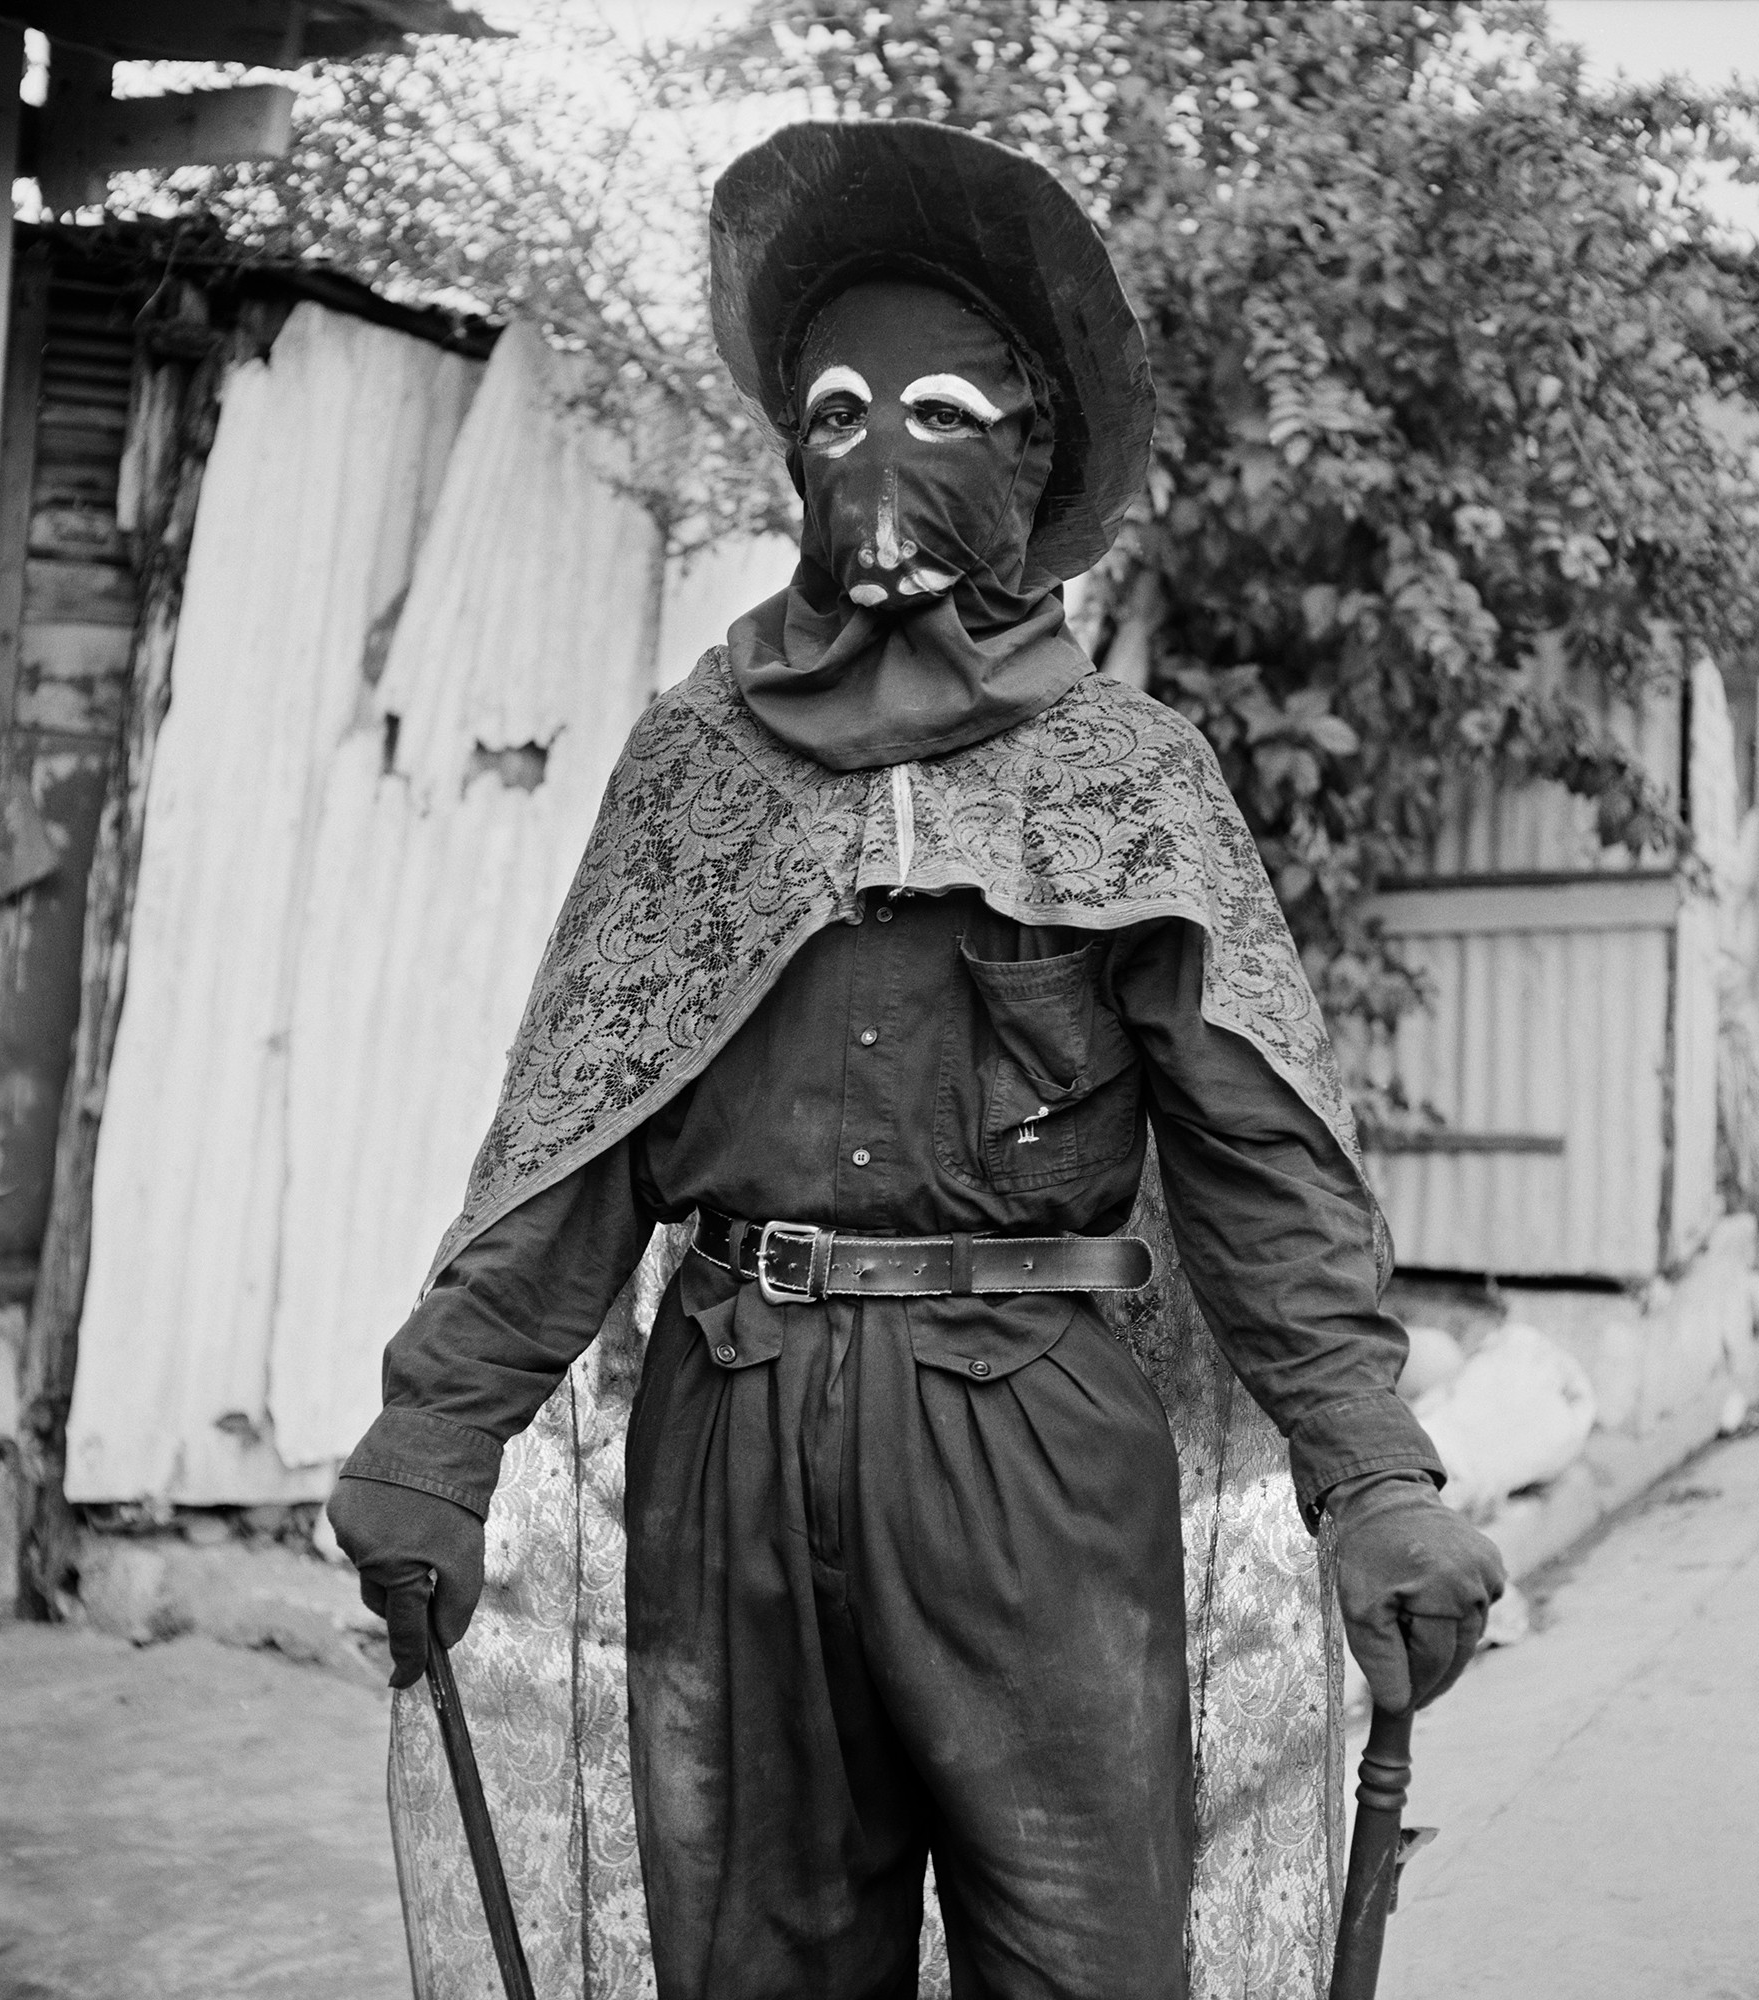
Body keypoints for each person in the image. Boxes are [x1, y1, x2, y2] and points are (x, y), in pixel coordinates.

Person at [329, 118, 1504, 2000]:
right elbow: (581, 1125)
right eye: (839, 411)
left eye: (946, 412)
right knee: (760, 1964)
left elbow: (1257, 1161)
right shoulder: (695, 761)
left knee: (1084, 1959)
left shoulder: (1130, 780)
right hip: (729, 1425)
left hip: (1028, 1445)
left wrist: (1371, 1473)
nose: (882, 455)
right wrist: (440, 1424)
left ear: (1032, 459)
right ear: (791, 445)